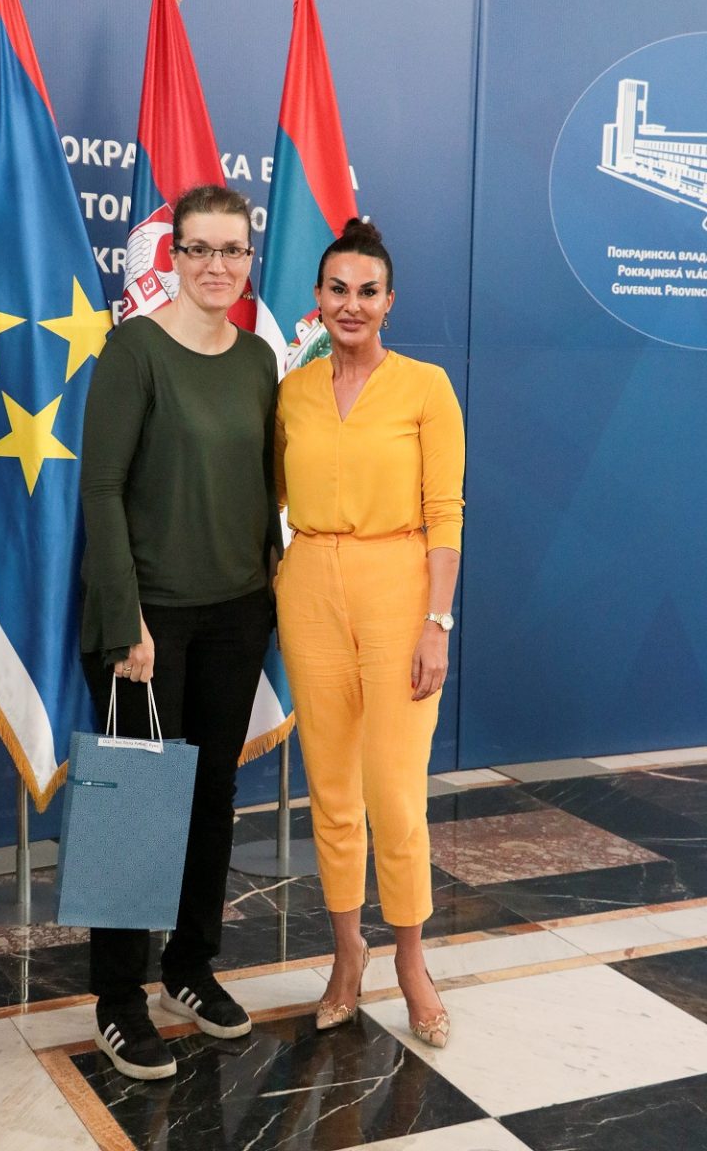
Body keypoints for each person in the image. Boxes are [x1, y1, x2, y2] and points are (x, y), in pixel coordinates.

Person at [79, 184, 281, 1080]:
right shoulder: (134, 349)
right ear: (174, 257)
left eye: (232, 250)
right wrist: (125, 618)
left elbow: (263, 488)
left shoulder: (258, 360)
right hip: (147, 620)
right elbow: (101, 488)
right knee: (136, 802)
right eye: (199, 249)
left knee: (210, 797)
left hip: (237, 613)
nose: (215, 265)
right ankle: (118, 1000)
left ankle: (188, 969)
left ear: (249, 260)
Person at [274, 219, 465, 1050]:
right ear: (317, 300)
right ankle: (346, 954)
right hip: (310, 586)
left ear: (390, 302)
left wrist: (436, 622)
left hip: (400, 589)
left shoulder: (426, 387)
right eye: (337, 290)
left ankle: (411, 960)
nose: (351, 304)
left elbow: (446, 513)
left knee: (394, 791)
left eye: (368, 291)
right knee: (331, 790)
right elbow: (273, 496)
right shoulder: (292, 392)